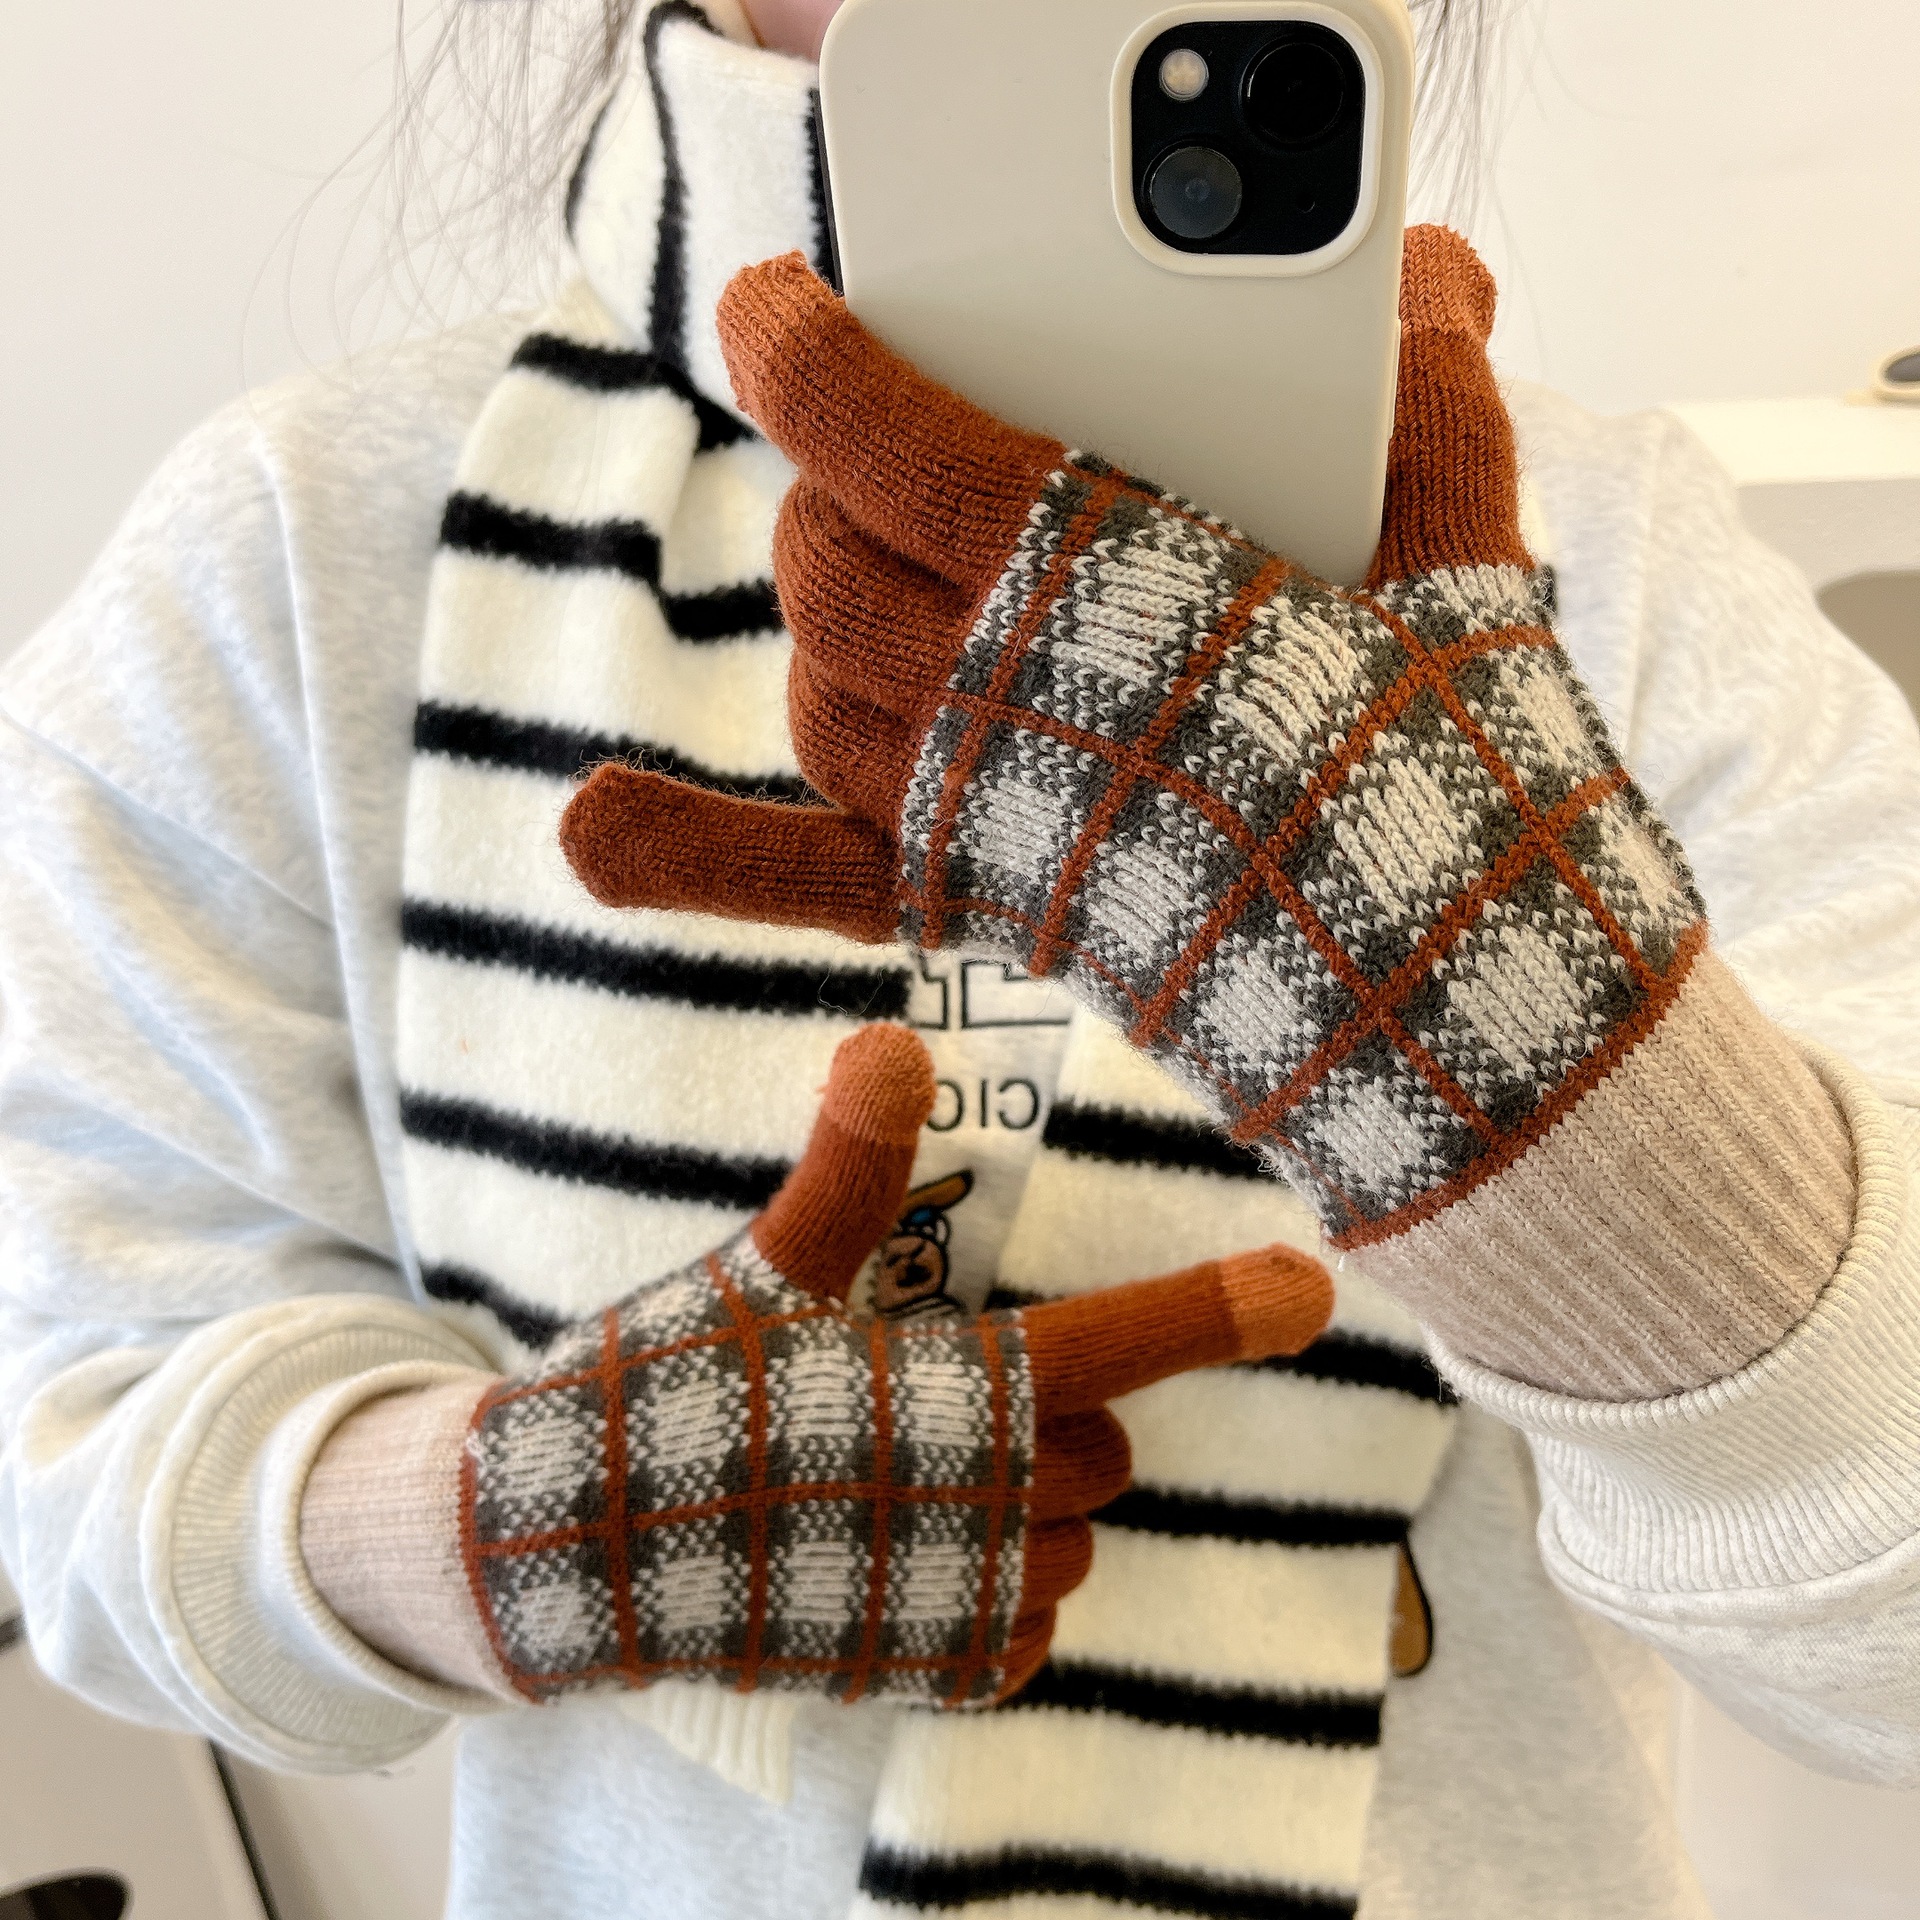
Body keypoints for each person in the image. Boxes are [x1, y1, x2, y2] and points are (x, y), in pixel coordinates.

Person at [2, 1, 1918, 1917]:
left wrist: (1551, 1076)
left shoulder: (1616, 567)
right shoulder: (299, 547)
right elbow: (76, 1443)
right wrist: (486, 1531)